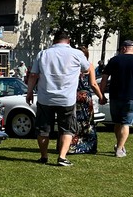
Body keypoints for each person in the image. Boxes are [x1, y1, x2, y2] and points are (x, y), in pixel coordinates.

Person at [25, 31, 90, 167]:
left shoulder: (43, 54)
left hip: (45, 97)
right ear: (69, 40)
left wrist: (29, 92)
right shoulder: (77, 54)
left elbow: (33, 75)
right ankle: (62, 157)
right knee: (67, 128)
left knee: (43, 129)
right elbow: (87, 68)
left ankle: (44, 156)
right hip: (67, 98)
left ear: (54, 41)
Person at [98, 39, 133, 158]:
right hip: (132, 96)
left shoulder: (114, 60)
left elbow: (104, 78)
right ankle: (120, 148)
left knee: (117, 122)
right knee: (126, 123)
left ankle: (119, 144)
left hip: (115, 95)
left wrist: (102, 95)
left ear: (124, 48)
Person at [68, 46, 104, 155]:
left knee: (72, 121)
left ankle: (70, 146)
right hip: (85, 97)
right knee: (87, 123)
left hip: (72, 96)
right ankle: (88, 146)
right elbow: (93, 84)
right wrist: (101, 96)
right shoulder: (89, 66)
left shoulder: (70, 66)